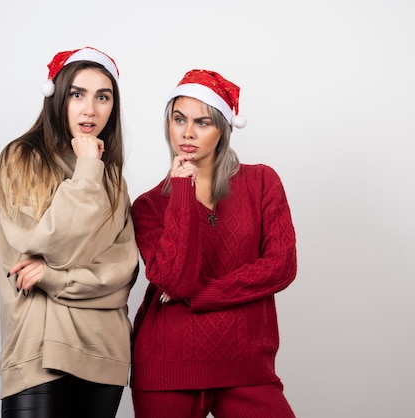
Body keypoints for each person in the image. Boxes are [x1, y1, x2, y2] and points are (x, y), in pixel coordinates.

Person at [129, 69, 297, 417]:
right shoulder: (148, 206)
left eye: (202, 123)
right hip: (168, 365)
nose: (187, 133)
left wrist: (202, 295)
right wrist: (181, 191)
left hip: (246, 366)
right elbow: (174, 281)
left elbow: (281, 266)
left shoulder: (262, 182)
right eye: (179, 119)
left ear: (223, 129)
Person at [0, 46, 139, 418]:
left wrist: (54, 279)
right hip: (38, 353)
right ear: (57, 97)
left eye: (102, 97)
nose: (90, 109)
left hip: (105, 353)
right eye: (77, 94)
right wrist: (88, 169)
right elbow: (42, 246)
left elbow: (122, 272)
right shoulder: (21, 159)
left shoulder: (111, 178)